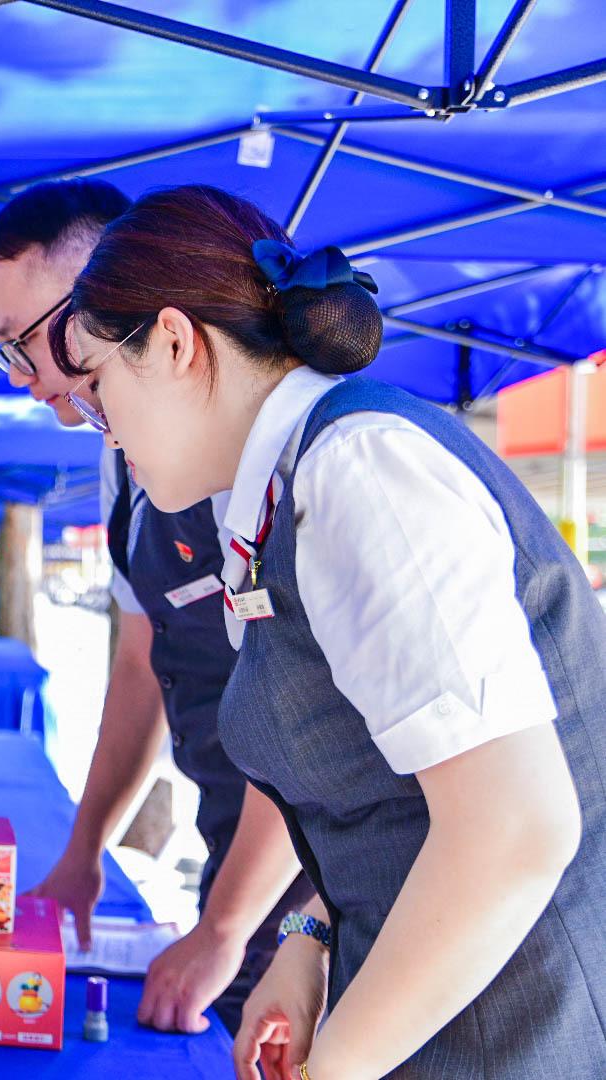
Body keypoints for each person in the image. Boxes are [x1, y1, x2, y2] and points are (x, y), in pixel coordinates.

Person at [60, 183, 606, 1079]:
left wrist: (336, 1068)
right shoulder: (281, 495)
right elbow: (390, 786)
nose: (103, 428)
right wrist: (309, 939)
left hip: (522, 1032)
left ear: (171, 340)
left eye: (98, 384)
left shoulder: (362, 469)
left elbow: (516, 828)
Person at [0, 178, 309, 1036]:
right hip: (246, 862)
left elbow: (321, 725)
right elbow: (142, 666)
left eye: (26, 345)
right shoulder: (124, 456)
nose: (25, 382)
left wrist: (232, 928)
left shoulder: (316, 464)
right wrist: (85, 850)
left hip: (323, 889)